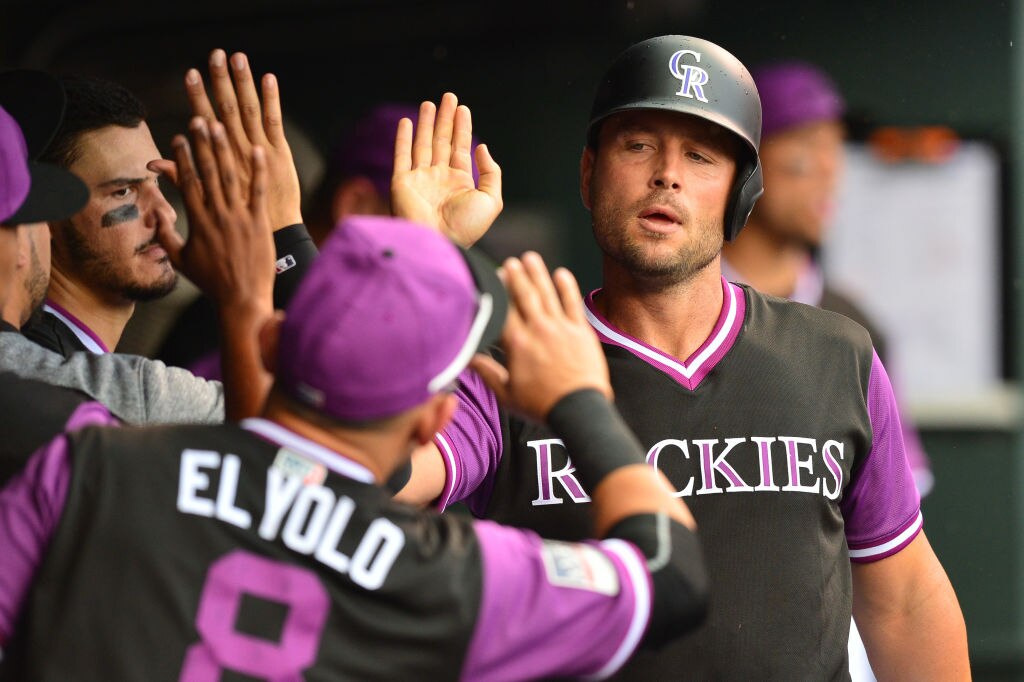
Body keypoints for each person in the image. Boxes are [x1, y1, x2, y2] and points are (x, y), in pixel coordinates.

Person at [393, 36, 969, 679]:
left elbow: (905, 603)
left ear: (739, 196)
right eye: (638, 145)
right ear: (588, 174)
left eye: (699, 156)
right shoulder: (516, 366)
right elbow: (373, 473)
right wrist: (418, 262)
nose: (667, 173)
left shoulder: (835, 355)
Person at [0, 200, 709, 679]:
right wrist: (580, 401)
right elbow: (671, 578)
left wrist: (247, 295)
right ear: (434, 420)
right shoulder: (457, 578)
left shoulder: (86, 464)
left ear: (273, 341)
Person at [721, 60, 933, 496]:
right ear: (746, 159)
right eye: (806, 145)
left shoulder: (858, 328)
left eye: (834, 147)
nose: (828, 168)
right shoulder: (670, 304)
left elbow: (896, 504)